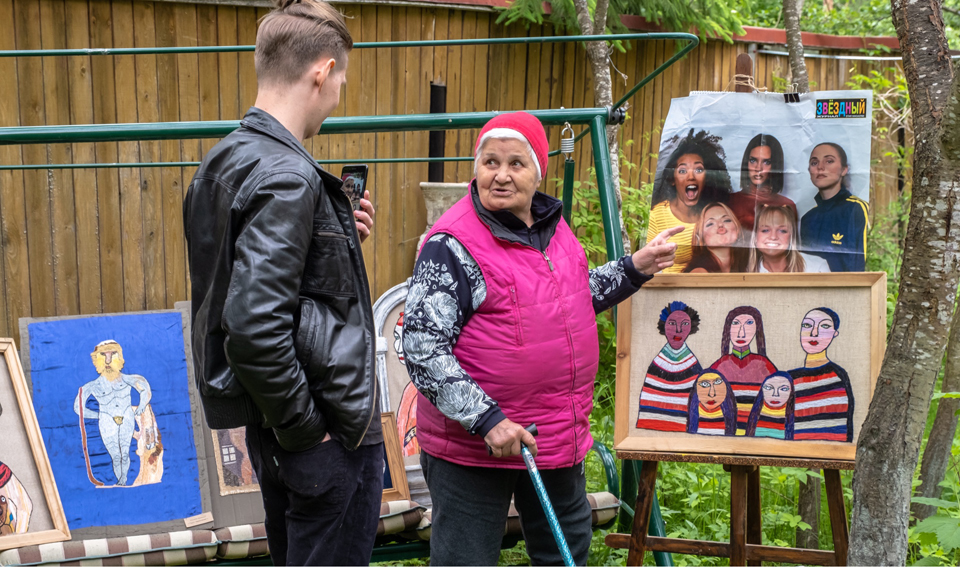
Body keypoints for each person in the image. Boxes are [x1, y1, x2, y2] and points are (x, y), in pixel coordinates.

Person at [403, 111, 681, 566]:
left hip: (553, 435)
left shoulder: (553, 229)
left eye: (516, 163)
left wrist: (634, 268)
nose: (501, 175)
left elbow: (571, 298)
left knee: (564, 554)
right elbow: (421, 346)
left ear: (538, 173)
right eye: (490, 162)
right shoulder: (451, 243)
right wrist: (487, 419)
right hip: (478, 446)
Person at [182, 0, 381, 563]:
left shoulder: (223, 160)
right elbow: (252, 327)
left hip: (272, 429)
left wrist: (335, 240)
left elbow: (246, 287)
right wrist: (307, 430)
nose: (338, 96)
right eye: (341, 81)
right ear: (322, 71)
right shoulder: (288, 175)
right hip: (319, 432)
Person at [647, 129, 733, 273]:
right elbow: (649, 264)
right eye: (682, 171)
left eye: (698, 170)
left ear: (707, 178)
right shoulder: (656, 216)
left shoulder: (714, 214)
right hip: (669, 285)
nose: (691, 176)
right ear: (672, 179)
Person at [73, 340, 157, 487]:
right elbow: (77, 407)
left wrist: (142, 405)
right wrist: (98, 415)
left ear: (120, 357)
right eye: (103, 355)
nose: (108, 360)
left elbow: (145, 388)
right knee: (115, 456)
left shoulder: (128, 379)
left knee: (125, 453)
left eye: (112, 354)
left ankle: (123, 480)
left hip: (126, 418)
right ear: (96, 359)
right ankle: (121, 481)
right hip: (107, 422)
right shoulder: (92, 386)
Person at [800, 142, 869, 272]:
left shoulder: (856, 209)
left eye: (829, 161)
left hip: (847, 285)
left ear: (844, 169)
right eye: (814, 163)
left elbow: (860, 266)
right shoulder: (807, 218)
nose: (820, 167)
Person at [787, 307, 855, 442]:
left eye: (824, 326)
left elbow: (844, 427)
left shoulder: (838, 376)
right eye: (807, 325)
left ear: (834, 333)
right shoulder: (789, 378)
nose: (814, 333)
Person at [636, 301, 703, 432]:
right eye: (672, 323)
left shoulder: (694, 366)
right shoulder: (656, 365)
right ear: (664, 327)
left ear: (691, 328)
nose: (678, 330)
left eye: (685, 324)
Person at [709, 306, 777, 435]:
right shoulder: (718, 367)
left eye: (749, 323)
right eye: (736, 324)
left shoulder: (765, 367)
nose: (742, 333)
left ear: (757, 330)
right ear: (728, 329)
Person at [728, 134, 797, 232]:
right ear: (746, 162)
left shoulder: (787, 205)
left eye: (766, 162)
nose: (758, 168)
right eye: (753, 160)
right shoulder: (730, 201)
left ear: (775, 166)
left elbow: (792, 240)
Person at [747, 205, 830, 273]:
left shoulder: (817, 267)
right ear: (755, 236)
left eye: (782, 231)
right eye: (765, 230)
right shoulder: (747, 272)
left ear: (791, 236)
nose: (773, 237)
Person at [683, 202, 749, 273]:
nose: (720, 224)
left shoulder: (748, 263)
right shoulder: (700, 272)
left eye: (727, 220)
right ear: (702, 239)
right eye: (710, 224)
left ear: (737, 229)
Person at [685, 370, 737, 436]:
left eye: (717, 382)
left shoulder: (730, 417)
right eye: (704, 384)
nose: (711, 394)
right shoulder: (691, 417)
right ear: (696, 389)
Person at [745, 372, 796, 440]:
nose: (775, 394)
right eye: (768, 388)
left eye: (783, 389)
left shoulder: (794, 416)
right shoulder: (755, 414)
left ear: (791, 391)